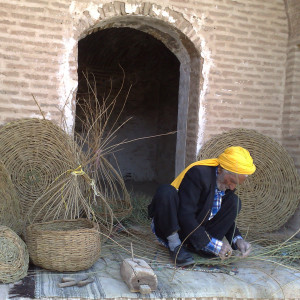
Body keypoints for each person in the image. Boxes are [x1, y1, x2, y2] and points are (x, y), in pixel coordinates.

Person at [148, 146, 256, 266]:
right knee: (166, 191)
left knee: (234, 202)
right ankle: (176, 247)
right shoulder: (199, 174)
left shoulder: (225, 184)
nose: (232, 187)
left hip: (198, 233)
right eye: (232, 181)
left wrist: (237, 239)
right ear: (220, 170)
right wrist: (210, 243)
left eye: (236, 184)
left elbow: (223, 215)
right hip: (179, 228)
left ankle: (202, 247)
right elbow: (185, 215)